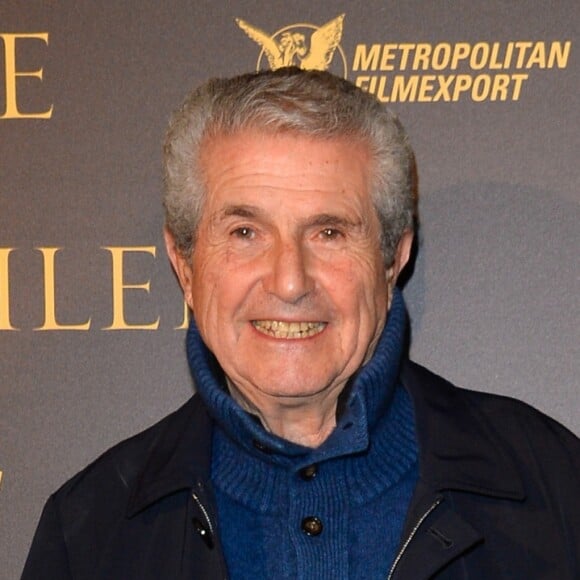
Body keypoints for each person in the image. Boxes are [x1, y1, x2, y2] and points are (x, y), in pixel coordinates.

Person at [22, 68, 579, 579]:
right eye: (245, 233)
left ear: (393, 260)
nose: (290, 281)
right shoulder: (89, 534)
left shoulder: (557, 489)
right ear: (184, 265)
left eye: (329, 232)